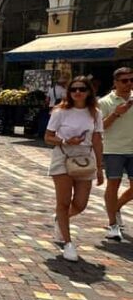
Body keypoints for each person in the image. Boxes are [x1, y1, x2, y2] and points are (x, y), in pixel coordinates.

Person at [44, 76, 104, 261]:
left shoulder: (95, 112)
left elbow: (97, 140)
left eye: (82, 89)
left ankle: (60, 219)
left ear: (88, 92)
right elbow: (48, 137)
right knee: (63, 202)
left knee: (80, 203)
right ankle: (68, 243)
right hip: (63, 156)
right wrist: (64, 140)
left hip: (85, 158)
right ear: (68, 92)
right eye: (73, 89)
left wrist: (100, 167)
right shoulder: (60, 111)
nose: (77, 92)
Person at [98, 67, 133, 241]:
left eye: (131, 80)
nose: (128, 83)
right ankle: (113, 224)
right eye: (124, 80)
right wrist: (116, 114)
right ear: (115, 82)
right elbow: (100, 127)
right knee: (114, 185)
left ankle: (116, 207)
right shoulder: (105, 102)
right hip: (114, 150)